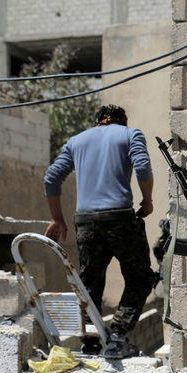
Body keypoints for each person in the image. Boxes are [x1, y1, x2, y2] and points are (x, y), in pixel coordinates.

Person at [44, 104, 155, 360]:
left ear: (98, 122)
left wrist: (57, 218)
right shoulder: (130, 135)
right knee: (140, 277)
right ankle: (117, 336)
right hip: (119, 218)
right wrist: (147, 200)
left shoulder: (76, 141)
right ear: (121, 122)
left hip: (85, 222)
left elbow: (51, 178)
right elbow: (143, 167)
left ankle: (90, 343)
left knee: (90, 283)